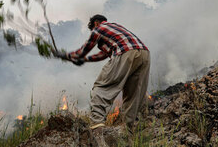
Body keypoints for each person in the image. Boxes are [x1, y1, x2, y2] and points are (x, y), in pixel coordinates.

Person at [53, 14, 150, 145]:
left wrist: (66, 55)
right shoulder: (116, 28)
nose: (92, 30)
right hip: (144, 54)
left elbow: (83, 50)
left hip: (125, 53)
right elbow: (103, 54)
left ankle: (97, 135)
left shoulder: (99, 29)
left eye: (92, 28)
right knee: (132, 96)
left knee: (101, 89)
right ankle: (129, 138)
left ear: (96, 23)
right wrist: (85, 60)